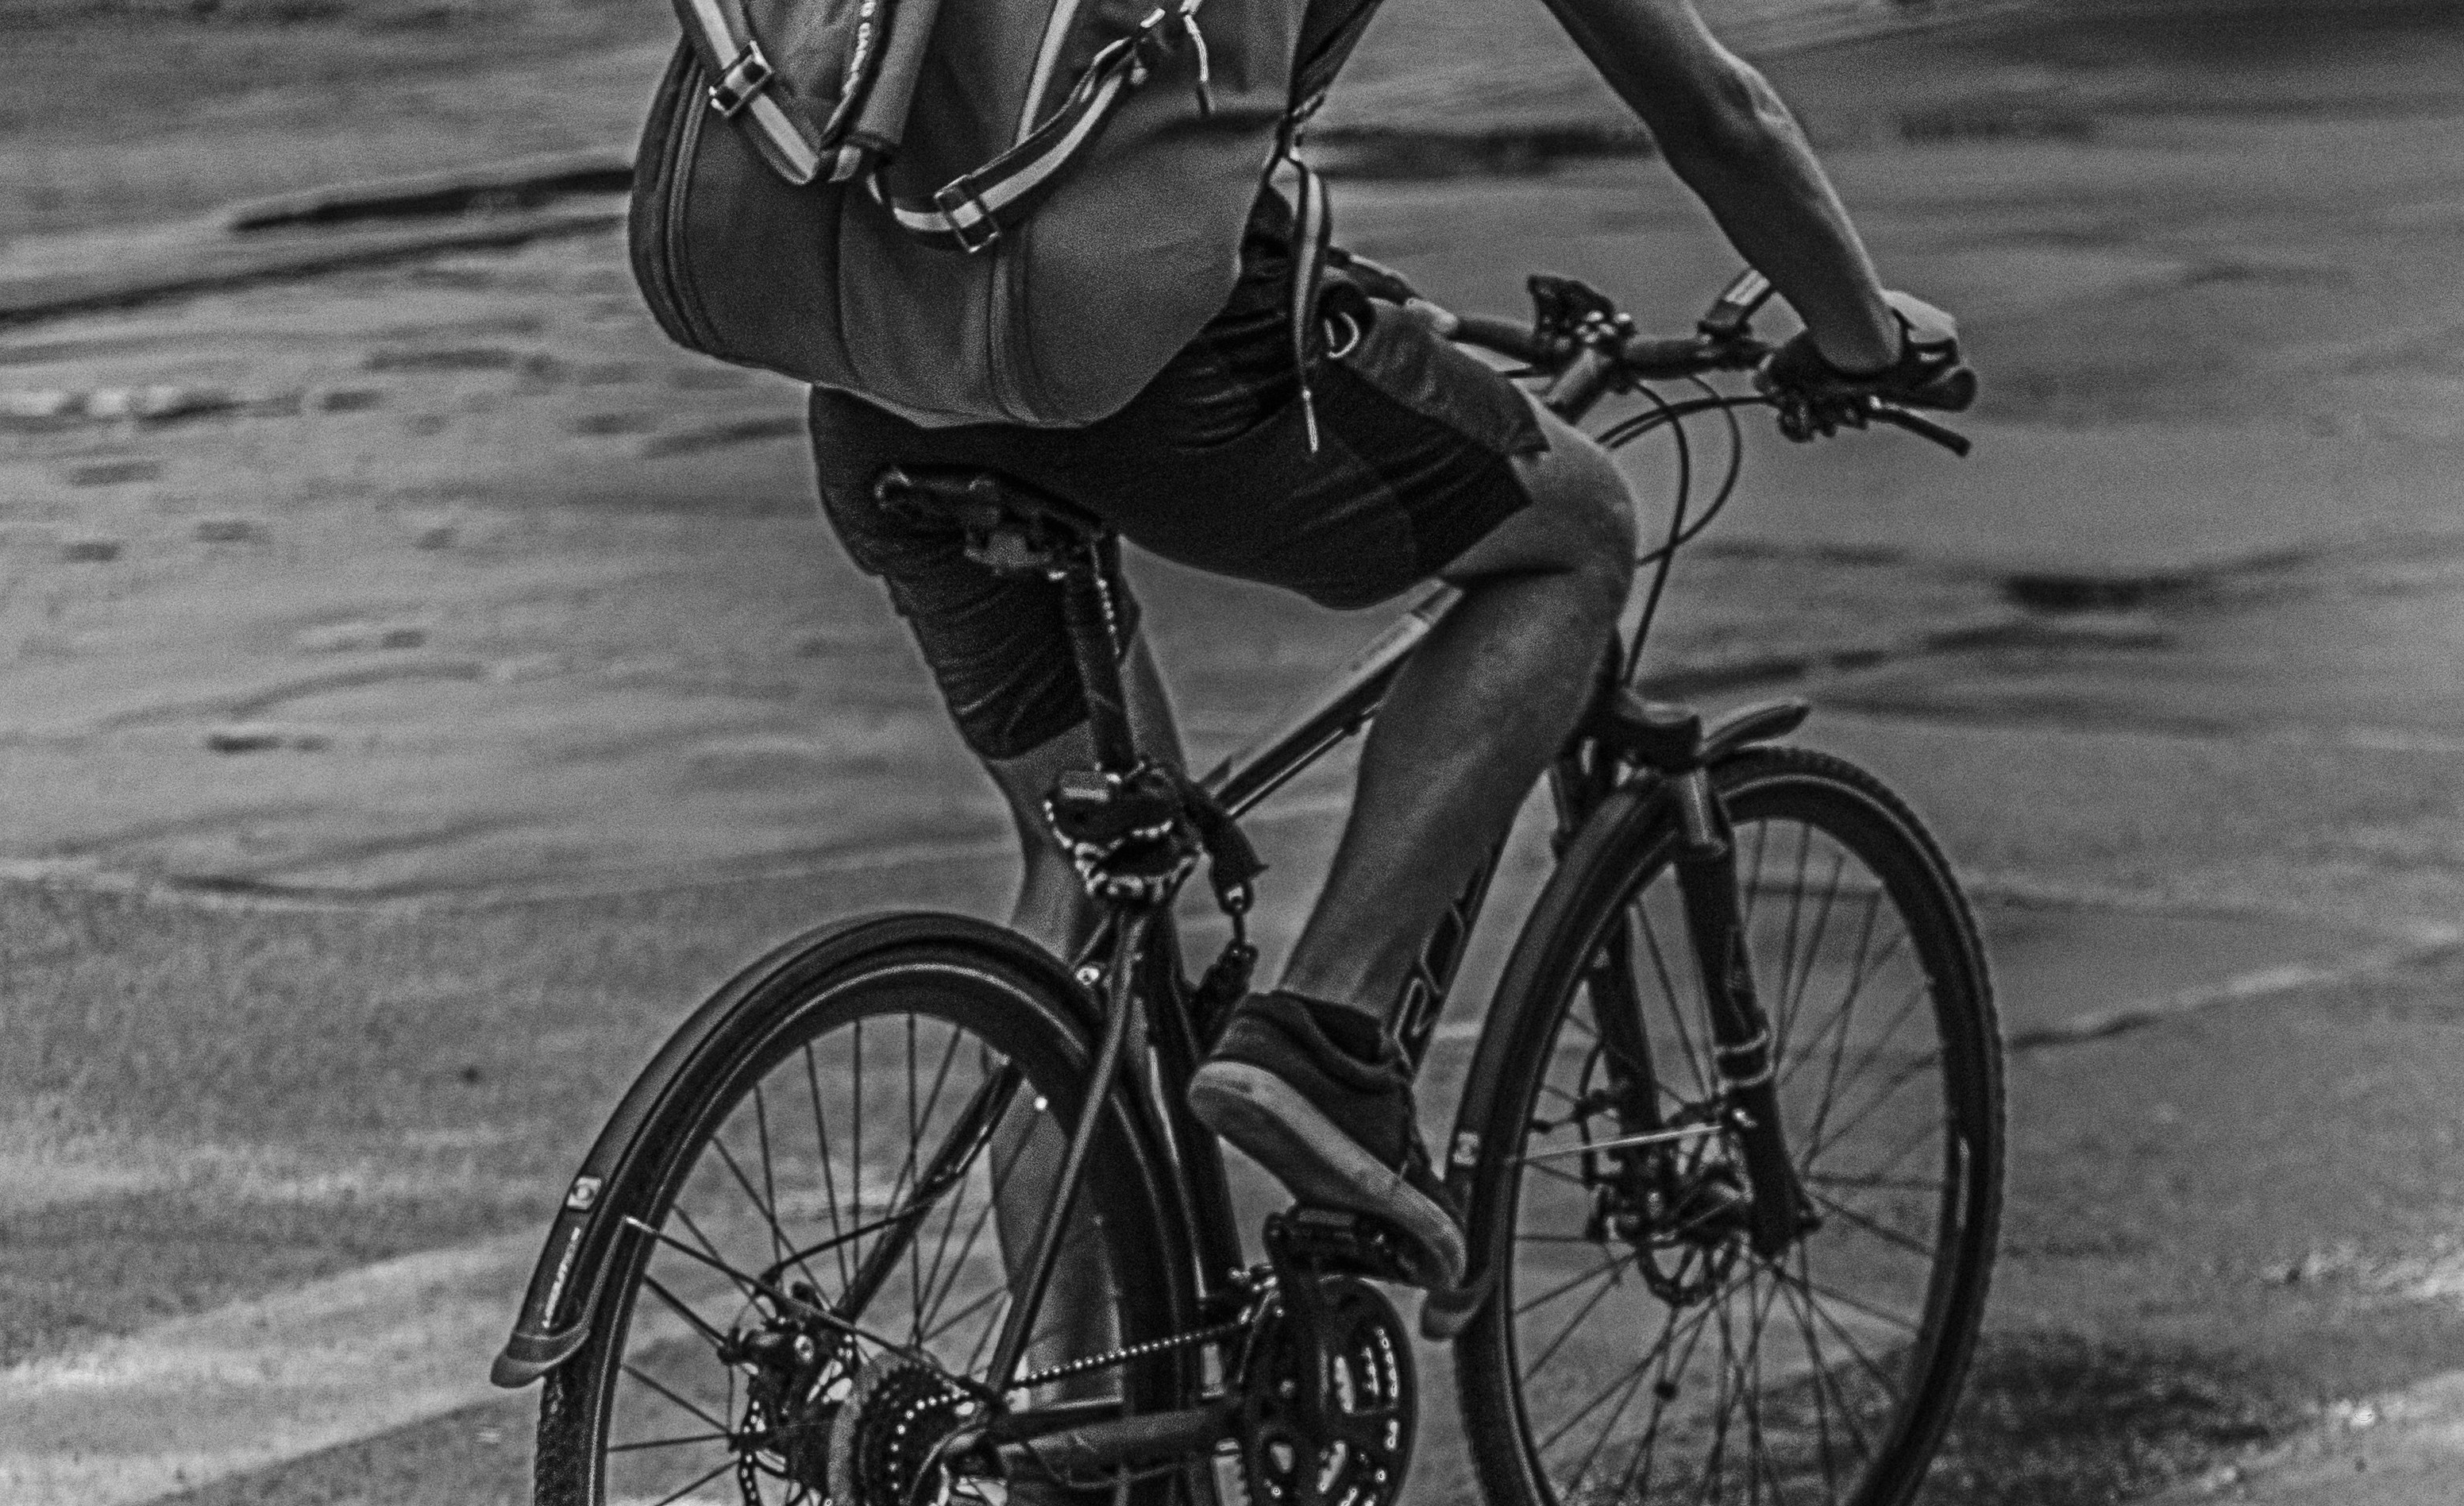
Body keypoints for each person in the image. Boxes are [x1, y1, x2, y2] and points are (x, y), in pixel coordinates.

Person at [806, 0, 1970, 1310]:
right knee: (1578, 530)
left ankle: (1071, 1471)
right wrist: (1862, 336)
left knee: (1086, 875)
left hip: (879, 366)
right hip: (1148, 366)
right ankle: (1328, 1038)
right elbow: (1717, 112)